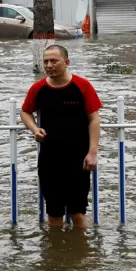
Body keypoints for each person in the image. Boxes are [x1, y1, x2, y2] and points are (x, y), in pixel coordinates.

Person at [20, 45, 102, 229]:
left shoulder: (82, 86)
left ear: (66, 62)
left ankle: (81, 254)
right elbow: (25, 112)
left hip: (78, 158)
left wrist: (92, 152)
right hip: (50, 158)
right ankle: (54, 254)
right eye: (46, 61)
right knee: (53, 214)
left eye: (54, 61)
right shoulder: (38, 88)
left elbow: (94, 120)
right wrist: (35, 129)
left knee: (78, 213)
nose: (49, 65)